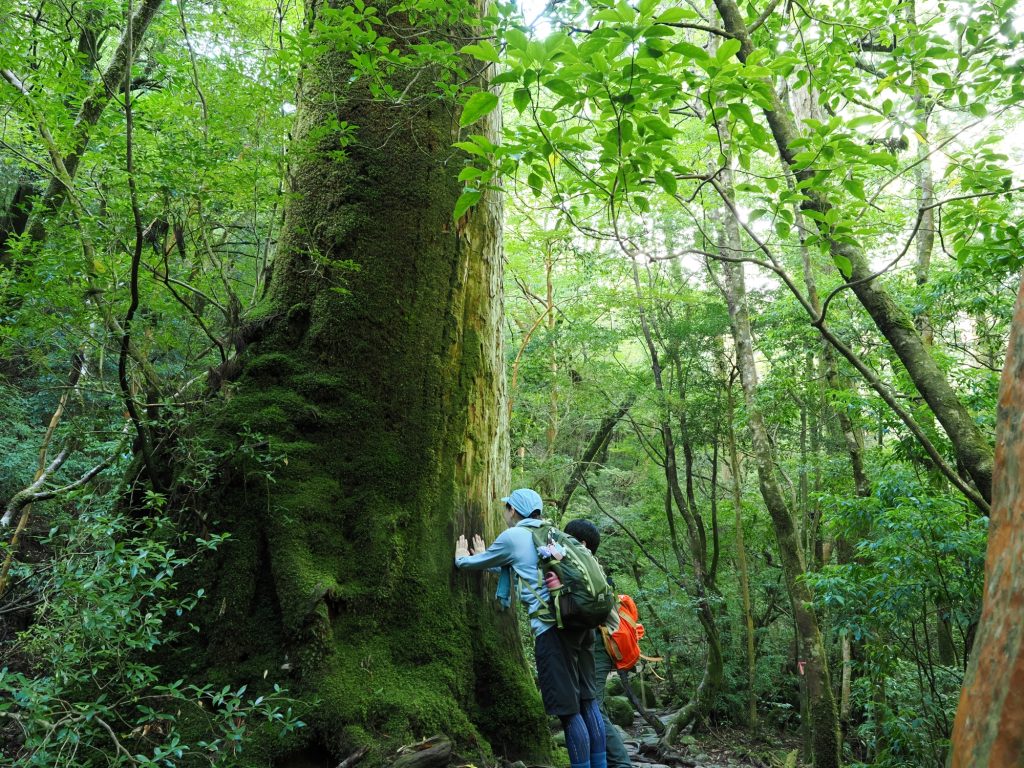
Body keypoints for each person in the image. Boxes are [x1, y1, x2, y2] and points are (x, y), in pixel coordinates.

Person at [455, 489, 607, 768]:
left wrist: (464, 557)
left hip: (553, 630)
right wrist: (488, 559)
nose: (504, 513)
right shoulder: (552, 534)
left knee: (568, 711)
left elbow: (474, 563)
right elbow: (522, 573)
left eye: (506, 508)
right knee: (588, 701)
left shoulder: (514, 536)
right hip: (582, 625)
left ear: (513, 511)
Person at [563, 519, 633, 768]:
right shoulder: (589, 568)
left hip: (600, 645)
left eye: (568, 538)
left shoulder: (590, 570)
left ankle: (621, 763)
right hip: (596, 643)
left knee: (593, 706)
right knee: (589, 704)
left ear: (582, 543)